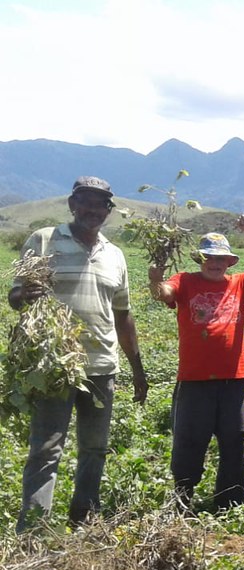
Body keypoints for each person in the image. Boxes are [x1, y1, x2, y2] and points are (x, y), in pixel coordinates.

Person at [11, 176, 148, 532]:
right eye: (85, 201)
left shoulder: (115, 255)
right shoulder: (43, 240)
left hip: (102, 366)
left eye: (100, 204)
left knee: (94, 449)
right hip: (55, 364)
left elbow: (123, 314)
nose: (92, 209)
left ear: (108, 210)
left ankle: (83, 521)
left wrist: (137, 368)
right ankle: (33, 532)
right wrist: (24, 297)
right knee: (46, 450)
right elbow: (15, 296)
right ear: (72, 205)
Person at [148, 214, 244, 508]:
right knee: (189, 441)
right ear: (200, 258)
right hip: (194, 379)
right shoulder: (184, 281)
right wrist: (155, 279)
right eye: (209, 256)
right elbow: (163, 294)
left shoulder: (240, 284)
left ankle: (231, 504)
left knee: (235, 441)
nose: (215, 262)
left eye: (221, 258)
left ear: (230, 262)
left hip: (234, 378)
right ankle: (182, 499)